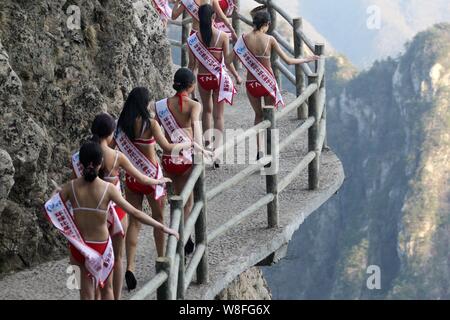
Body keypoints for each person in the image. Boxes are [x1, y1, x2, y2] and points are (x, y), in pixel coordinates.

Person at [45, 141, 179, 300]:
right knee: (107, 289)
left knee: (85, 295)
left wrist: (54, 194)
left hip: (79, 248)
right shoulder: (107, 189)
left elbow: (50, 209)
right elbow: (135, 212)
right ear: (100, 163)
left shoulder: (70, 187)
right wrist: (163, 227)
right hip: (100, 247)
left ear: (79, 163)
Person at [86, 113, 171, 299]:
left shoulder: (81, 157)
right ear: (110, 134)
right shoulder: (117, 157)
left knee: (94, 261)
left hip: (93, 214)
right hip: (115, 212)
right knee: (117, 259)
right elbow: (141, 177)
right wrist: (159, 180)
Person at [116, 87, 191, 291]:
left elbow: (114, 152)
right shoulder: (150, 124)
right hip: (152, 178)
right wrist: (187, 145)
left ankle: (130, 267)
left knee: (134, 222)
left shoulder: (121, 126)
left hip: (132, 179)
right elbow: (167, 148)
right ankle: (162, 261)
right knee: (159, 220)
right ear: (144, 103)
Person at [227, 10, 319, 158]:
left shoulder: (243, 39)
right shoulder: (270, 39)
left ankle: (260, 150)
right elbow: (288, 61)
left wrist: (236, 75)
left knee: (258, 116)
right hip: (267, 83)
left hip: (251, 83)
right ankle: (270, 151)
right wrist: (306, 59)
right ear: (267, 24)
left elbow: (227, 60)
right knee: (270, 117)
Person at [154, 67, 212, 254]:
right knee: (187, 202)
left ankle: (176, 235)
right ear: (191, 85)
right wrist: (202, 149)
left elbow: (156, 131)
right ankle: (183, 238)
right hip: (186, 158)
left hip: (168, 159)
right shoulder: (194, 105)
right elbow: (196, 130)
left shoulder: (160, 105)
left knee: (176, 200)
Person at [188, 4, 241, 168]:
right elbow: (228, 60)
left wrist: (190, 88)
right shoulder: (223, 36)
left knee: (206, 111)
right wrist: (236, 75)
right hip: (218, 78)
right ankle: (217, 153)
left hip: (203, 77)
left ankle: (207, 146)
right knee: (219, 115)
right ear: (213, 18)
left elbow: (192, 65)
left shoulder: (193, 38)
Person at [172, 0, 238, 75]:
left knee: (192, 65)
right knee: (213, 64)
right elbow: (222, 17)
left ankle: (190, 84)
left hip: (196, 35)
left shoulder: (188, 1)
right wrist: (232, 31)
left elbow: (174, 16)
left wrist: (177, 2)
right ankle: (213, 82)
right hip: (212, 35)